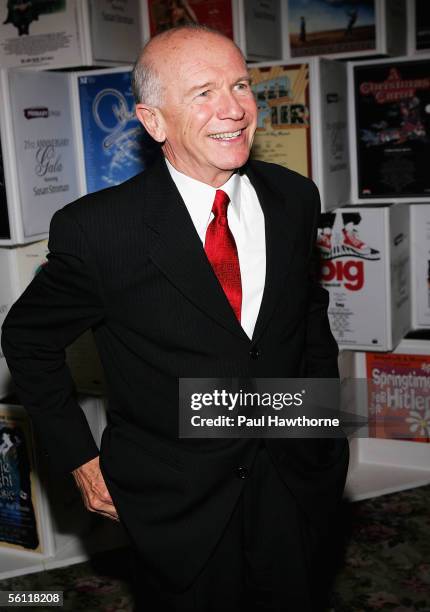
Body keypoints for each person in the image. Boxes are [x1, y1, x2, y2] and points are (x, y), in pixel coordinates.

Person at [1, 25, 349, 611]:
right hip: (176, 499)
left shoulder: (294, 198)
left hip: (293, 480)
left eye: (240, 85)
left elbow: (309, 321)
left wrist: (323, 434)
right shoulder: (100, 230)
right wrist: (82, 462)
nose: (234, 109)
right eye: (203, 93)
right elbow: (27, 339)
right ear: (153, 120)